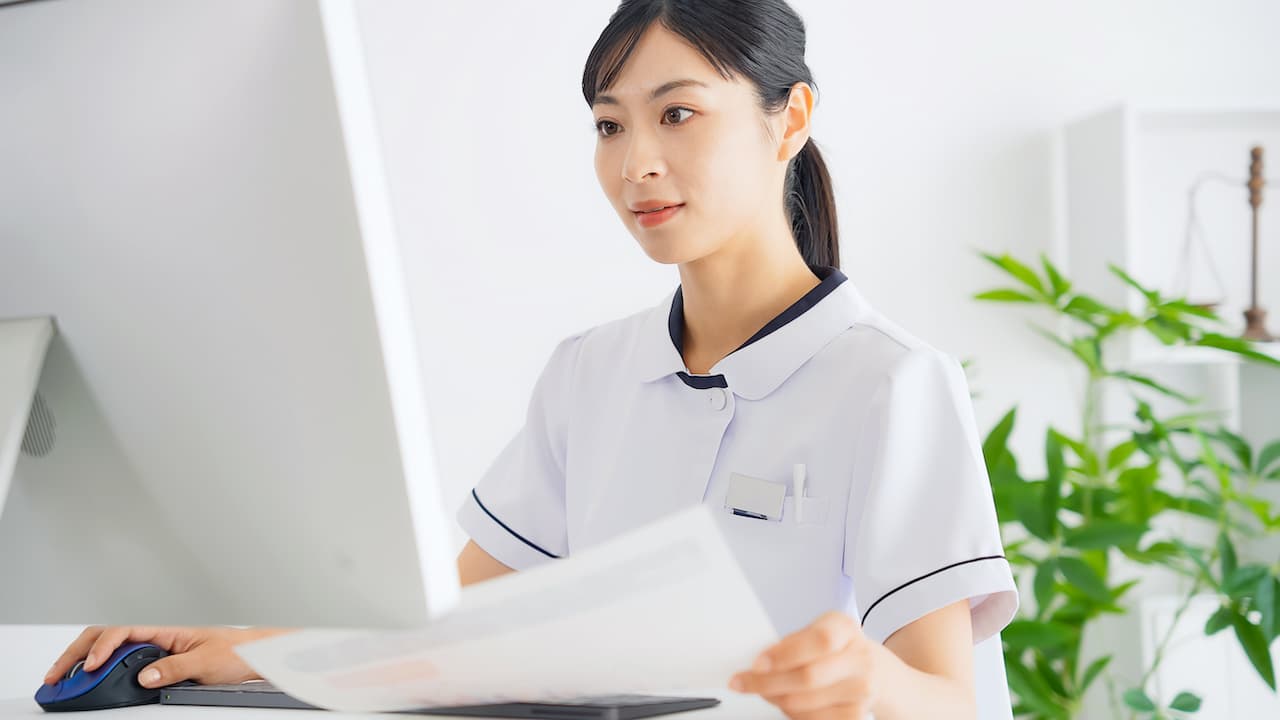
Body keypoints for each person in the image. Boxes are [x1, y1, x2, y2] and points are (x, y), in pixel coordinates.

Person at [43, 2, 1019, 718]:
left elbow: (950, 701)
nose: (635, 160)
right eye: (608, 123)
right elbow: (443, 624)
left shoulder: (886, 382)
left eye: (675, 114)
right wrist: (238, 641)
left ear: (788, 118)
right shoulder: (588, 373)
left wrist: (868, 679)